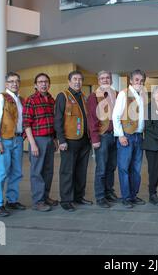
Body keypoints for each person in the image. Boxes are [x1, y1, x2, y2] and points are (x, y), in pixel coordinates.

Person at [54, 71, 93, 212]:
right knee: (67, 171)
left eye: (80, 79)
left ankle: (78, 196)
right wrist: (61, 140)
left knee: (81, 171)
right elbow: (58, 119)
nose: (78, 82)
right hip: (69, 141)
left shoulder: (83, 97)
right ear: (69, 81)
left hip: (84, 140)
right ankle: (66, 200)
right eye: (75, 79)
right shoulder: (62, 96)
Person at [0, 72, 26, 217]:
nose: (14, 84)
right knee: (0, 173)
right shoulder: (1, 98)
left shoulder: (19, 99)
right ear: (6, 84)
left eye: (17, 81)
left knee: (16, 173)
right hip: (4, 140)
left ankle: (12, 200)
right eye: (11, 81)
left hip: (17, 140)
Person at [23, 73, 58, 212]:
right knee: (37, 172)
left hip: (50, 139)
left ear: (49, 84)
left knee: (48, 171)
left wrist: (55, 139)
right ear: (35, 85)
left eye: (46, 82)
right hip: (37, 139)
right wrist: (32, 144)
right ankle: (38, 201)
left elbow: (54, 121)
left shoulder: (51, 99)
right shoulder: (31, 100)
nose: (43, 84)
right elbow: (26, 123)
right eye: (40, 82)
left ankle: (45, 196)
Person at [112, 69, 147, 208]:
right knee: (124, 168)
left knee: (136, 169)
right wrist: (120, 135)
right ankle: (126, 197)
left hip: (139, 136)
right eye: (137, 80)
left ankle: (133, 195)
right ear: (131, 80)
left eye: (142, 80)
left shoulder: (142, 95)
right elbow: (116, 116)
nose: (139, 82)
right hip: (126, 135)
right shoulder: (123, 94)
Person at [87, 71, 119, 208]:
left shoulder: (116, 94)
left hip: (115, 135)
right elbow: (92, 119)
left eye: (107, 78)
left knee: (111, 166)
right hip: (102, 136)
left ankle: (109, 192)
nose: (105, 80)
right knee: (101, 168)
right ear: (98, 80)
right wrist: (95, 138)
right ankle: (100, 196)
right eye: (102, 78)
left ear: (111, 80)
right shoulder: (94, 97)